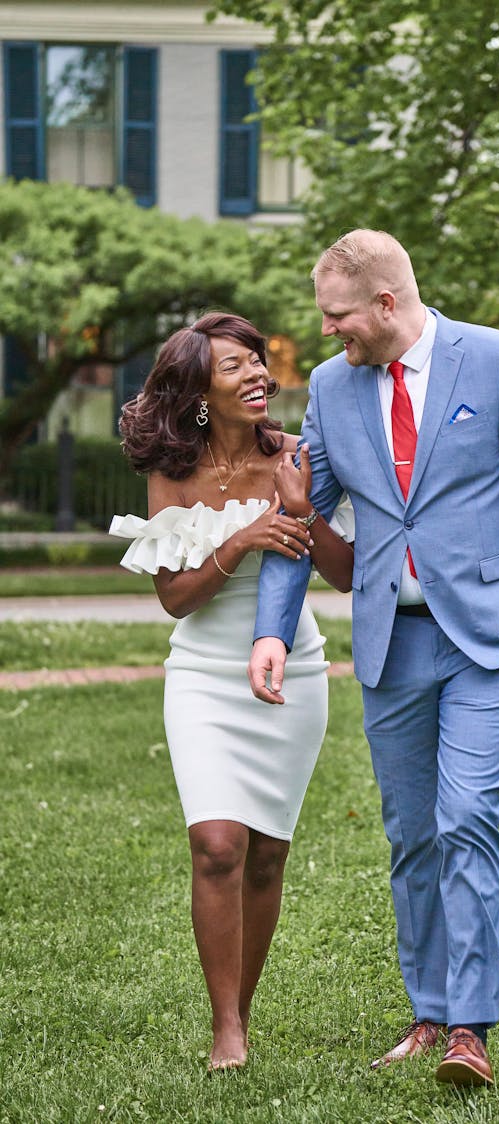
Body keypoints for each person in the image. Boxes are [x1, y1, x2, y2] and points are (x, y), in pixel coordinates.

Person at [249, 231, 499, 1087]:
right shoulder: (331, 386)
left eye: (338, 316)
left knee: (465, 813)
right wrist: (273, 632)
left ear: (387, 304)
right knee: (410, 835)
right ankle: (430, 1011)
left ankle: (472, 1028)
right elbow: (300, 518)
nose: (328, 333)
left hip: (491, 641)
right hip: (391, 646)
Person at [110, 311, 353, 1072]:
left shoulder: (301, 454)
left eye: (257, 359)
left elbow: (345, 576)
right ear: (200, 391)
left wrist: (303, 512)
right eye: (233, 365)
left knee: (268, 855)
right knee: (217, 845)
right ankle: (227, 1029)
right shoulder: (173, 470)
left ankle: (242, 1009)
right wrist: (242, 537)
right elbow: (176, 598)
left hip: (294, 673)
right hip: (203, 678)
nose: (255, 372)